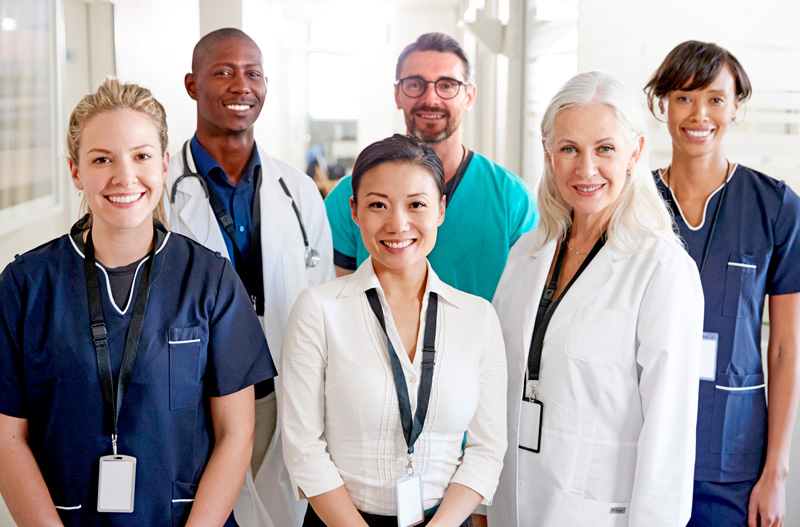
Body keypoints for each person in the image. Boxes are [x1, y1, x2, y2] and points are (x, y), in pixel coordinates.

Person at [0, 78, 273, 526]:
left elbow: (236, 433)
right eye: (102, 159)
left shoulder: (211, 280)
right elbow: (7, 436)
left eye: (142, 156)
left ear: (164, 164)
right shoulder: (25, 286)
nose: (124, 177)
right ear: (75, 171)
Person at [489, 71, 704, 526]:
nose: (586, 169)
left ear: (635, 153)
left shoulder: (662, 270)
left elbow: (669, 438)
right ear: (548, 154)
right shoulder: (527, 254)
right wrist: (485, 504)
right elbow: (497, 389)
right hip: (512, 504)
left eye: (605, 148)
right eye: (569, 149)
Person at [281, 134, 507, 527]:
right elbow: (302, 448)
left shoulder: (477, 317)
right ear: (354, 211)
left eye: (416, 204)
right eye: (377, 205)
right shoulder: (319, 310)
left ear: (441, 209)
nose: (397, 224)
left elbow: (488, 450)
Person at [166, 28, 335, 527]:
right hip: (198, 393)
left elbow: (321, 300)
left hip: (283, 389)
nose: (242, 85)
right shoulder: (160, 195)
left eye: (253, 73)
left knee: (278, 504)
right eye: (223, 72)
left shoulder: (299, 191)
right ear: (192, 85)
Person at [645, 41, 800, 527]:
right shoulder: (633, 205)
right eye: (684, 97)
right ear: (663, 103)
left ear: (735, 106)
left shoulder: (774, 207)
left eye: (715, 98)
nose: (699, 113)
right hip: (642, 447)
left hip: (731, 459)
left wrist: (775, 472)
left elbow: (785, 347)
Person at [325, 32, 537, 301]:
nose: (431, 98)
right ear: (397, 94)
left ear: (469, 96)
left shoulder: (512, 200)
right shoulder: (352, 195)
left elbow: (526, 308)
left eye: (447, 85)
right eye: (415, 84)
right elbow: (335, 305)